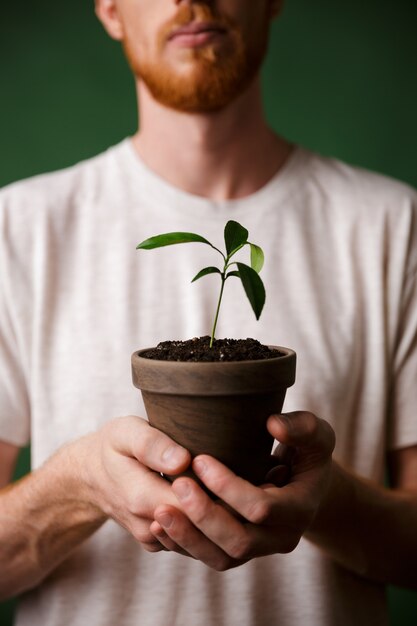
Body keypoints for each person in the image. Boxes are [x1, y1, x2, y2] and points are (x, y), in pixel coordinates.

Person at [0, 1, 416, 625]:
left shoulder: (393, 226)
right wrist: (81, 483)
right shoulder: (20, 230)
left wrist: (328, 501)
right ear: (109, 9)